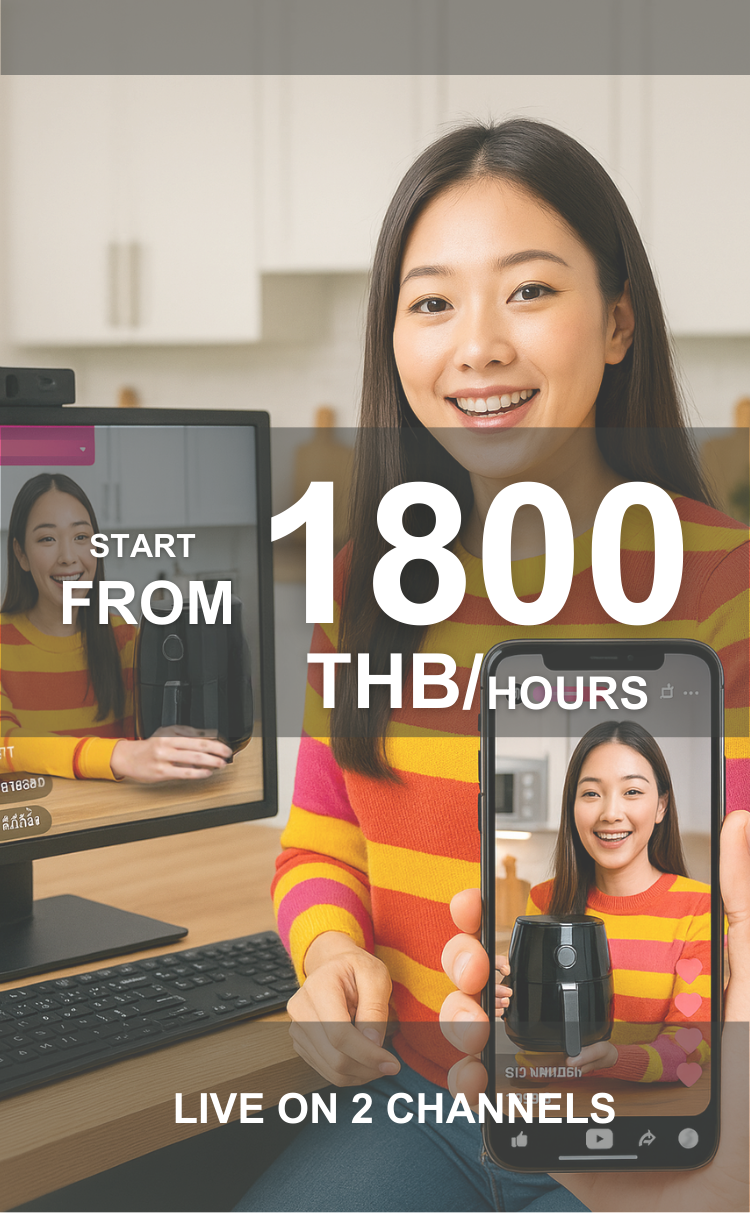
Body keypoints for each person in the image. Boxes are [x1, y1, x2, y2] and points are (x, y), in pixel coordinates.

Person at [236, 119, 749, 1212]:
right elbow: (322, 832)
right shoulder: (360, 583)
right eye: (432, 303)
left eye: (527, 292)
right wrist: (329, 956)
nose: (477, 347)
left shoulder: (723, 580)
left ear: (616, 323)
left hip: (645, 1115)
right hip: (419, 1101)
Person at [497, 721, 710, 1085]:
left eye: (631, 792)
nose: (610, 813)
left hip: (653, 1121)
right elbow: (534, 1061)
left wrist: (614, 1059)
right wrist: (512, 1009)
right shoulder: (543, 901)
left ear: (661, 806)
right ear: (573, 806)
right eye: (592, 794)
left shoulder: (698, 907)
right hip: (555, 1113)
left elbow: (693, 1046)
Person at [0, 473, 231, 783]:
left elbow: (144, 743)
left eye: (81, 537)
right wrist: (118, 755)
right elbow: (7, 745)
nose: (68, 557)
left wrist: (168, 738)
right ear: (21, 554)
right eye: (47, 539)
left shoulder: (124, 636)